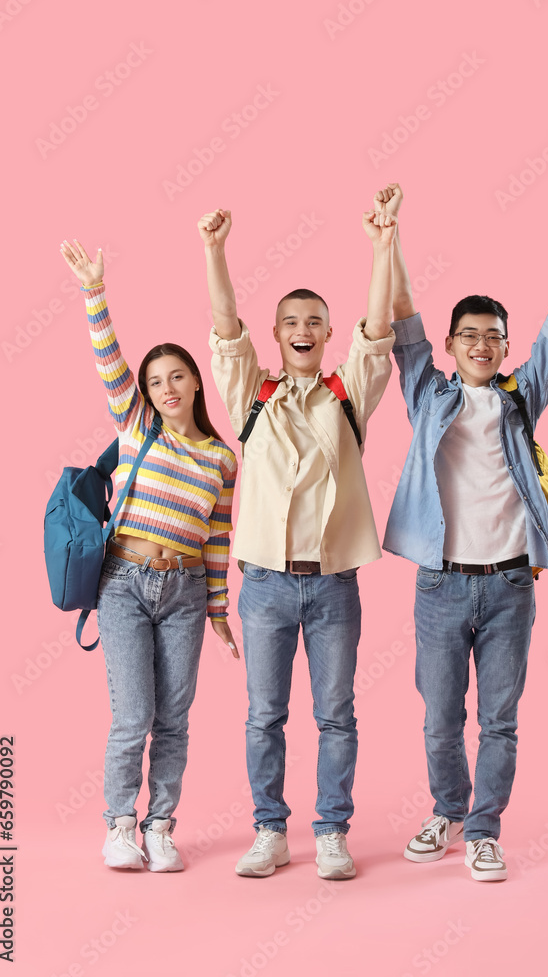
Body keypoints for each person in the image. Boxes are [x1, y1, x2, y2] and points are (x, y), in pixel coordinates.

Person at [379, 185, 548, 881]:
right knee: (440, 717)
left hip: (509, 582)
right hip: (440, 582)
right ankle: (447, 808)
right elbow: (403, 316)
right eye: (468, 335)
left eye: (493, 337)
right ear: (449, 346)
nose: (480, 345)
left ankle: (483, 830)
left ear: (505, 348)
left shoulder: (519, 398)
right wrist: (389, 235)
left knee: (499, 720)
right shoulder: (428, 392)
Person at [198, 203, 397, 879]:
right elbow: (226, 331)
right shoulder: (251, 393)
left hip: (335, 581)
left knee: (336, 715)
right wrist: (215, 250)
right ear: (277, 335)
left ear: (326, 332)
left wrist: (382, 245)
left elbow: (377, 333)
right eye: (290, 322)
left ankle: (332, 831)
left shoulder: (347, 393)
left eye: (314, 321)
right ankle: (269, 830)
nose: (302, 330)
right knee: (264, 716)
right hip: (266, 585)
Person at [59, 239, 239, 873]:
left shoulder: (221, 459)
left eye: (177, 377)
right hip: (125, 583)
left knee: (175, 717)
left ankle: (161, 824)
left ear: (195, 382)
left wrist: (219, 610)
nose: (166, 388)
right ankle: (119, 825)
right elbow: (110, 360)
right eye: (154, 381)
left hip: (187, 591)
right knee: (132, 714)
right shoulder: (136, 426)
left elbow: (218, 538)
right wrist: (94, 292)